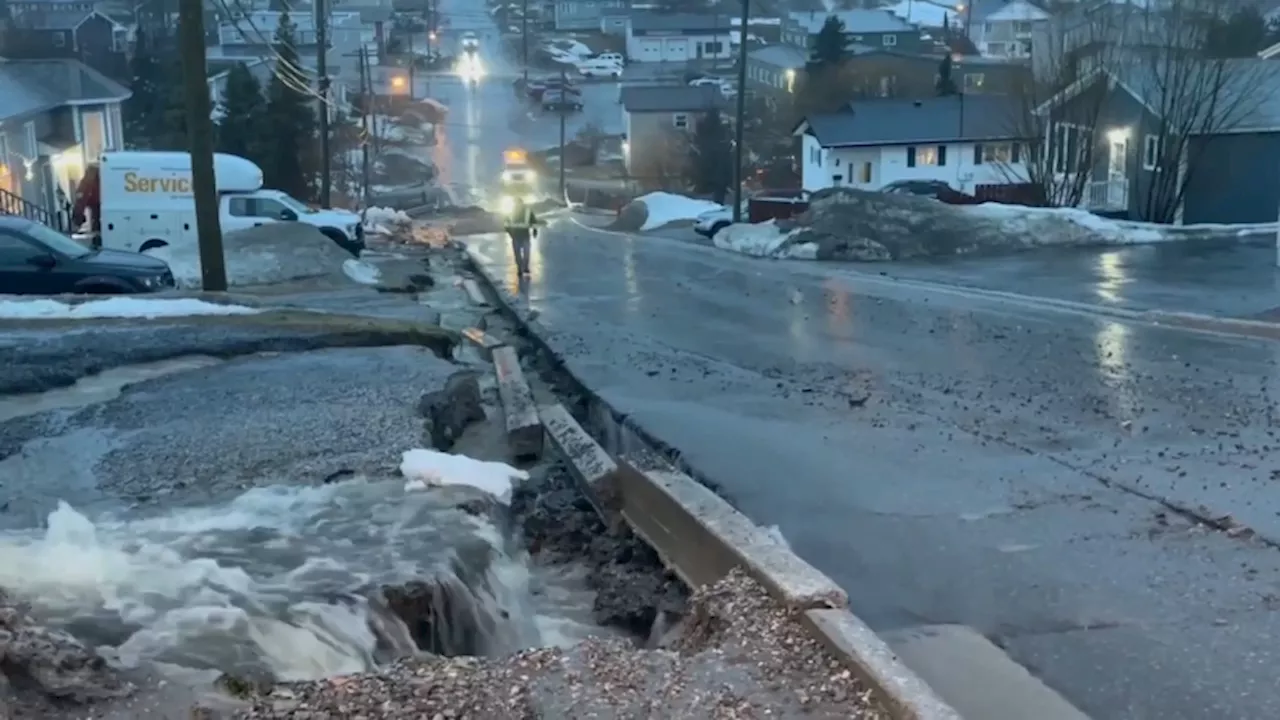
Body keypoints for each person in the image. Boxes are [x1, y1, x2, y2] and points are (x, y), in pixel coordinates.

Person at [503, 197, 539, 276]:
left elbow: (534, 222)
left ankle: (525, 267)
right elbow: (506, 224)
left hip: (524, 236)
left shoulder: (527, 212)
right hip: (516, 236)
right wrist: (510, 233)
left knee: (526, 253)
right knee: (518, 254)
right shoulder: (511, 213)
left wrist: (535, 231)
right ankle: (520, 268)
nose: (518, 205)